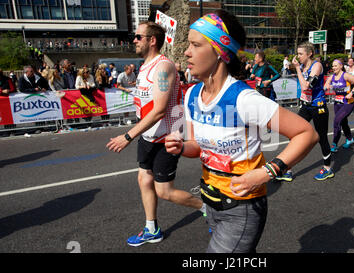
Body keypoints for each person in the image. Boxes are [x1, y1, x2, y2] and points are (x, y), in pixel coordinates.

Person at [165, 10, 318, 253]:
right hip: (211, 202)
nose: (186, 51)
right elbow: (196, 147)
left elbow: (306, 134)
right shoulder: (192, 94)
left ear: (218, 51)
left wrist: (268, 172)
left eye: (195, 44)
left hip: (242, 208)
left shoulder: (243, 99)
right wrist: (182, 147)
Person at [106, 21, 205, 247]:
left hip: (166, 137)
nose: (134, 40)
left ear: (152, 40)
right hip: (148, 135)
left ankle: (206, 207)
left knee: (164, 191)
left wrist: (127, 136)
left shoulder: (163, 67)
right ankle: (152, 229)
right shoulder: (144, 66)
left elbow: (159, 109)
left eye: (138, 36)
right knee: (143, 179)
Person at [279, 42, 334, 182]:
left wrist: (297, 69)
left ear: (309, 53)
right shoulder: (303, 66)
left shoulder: (317, 66)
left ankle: (328, 169)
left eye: (301, 54)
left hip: (318, 106)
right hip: (306, 105)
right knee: (294, 134)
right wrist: (299, 68)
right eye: (297, 53)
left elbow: (305, 86)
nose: (298, 56)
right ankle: (288, 170)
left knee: (321, 138)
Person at [324, 59, 354, 153]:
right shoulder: (332, 77)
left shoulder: (346, 75)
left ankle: (334, 144)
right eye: (333, 66)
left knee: (336, 121)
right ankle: (350, 139)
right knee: (343, 122)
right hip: (337, 103)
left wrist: (351, 93)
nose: (333, 67)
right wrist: (327, 86)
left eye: (335, 66)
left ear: (340, 66)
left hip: (347, 103)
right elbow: (326, 83)